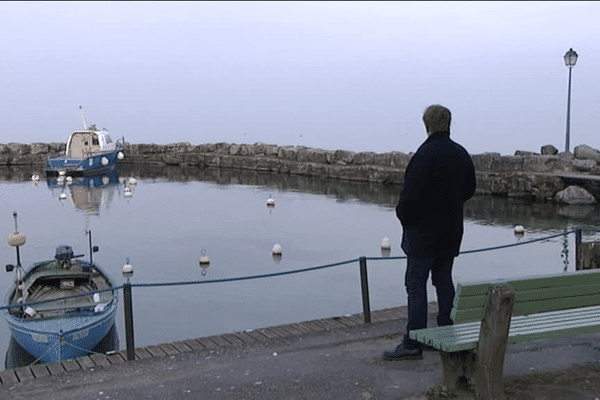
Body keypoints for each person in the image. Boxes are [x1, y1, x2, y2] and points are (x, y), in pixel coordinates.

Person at [383, 105, 476, 360]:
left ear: (427, 125)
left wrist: (404, 216)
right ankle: (446, 334)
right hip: (451, 232)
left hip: (422, 236)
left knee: (415, 285)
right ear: (449, 123)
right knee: (443, 281)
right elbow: (469, 189)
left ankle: (414, 340)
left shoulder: (424, 156)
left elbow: (409, 199)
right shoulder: (460, 154)